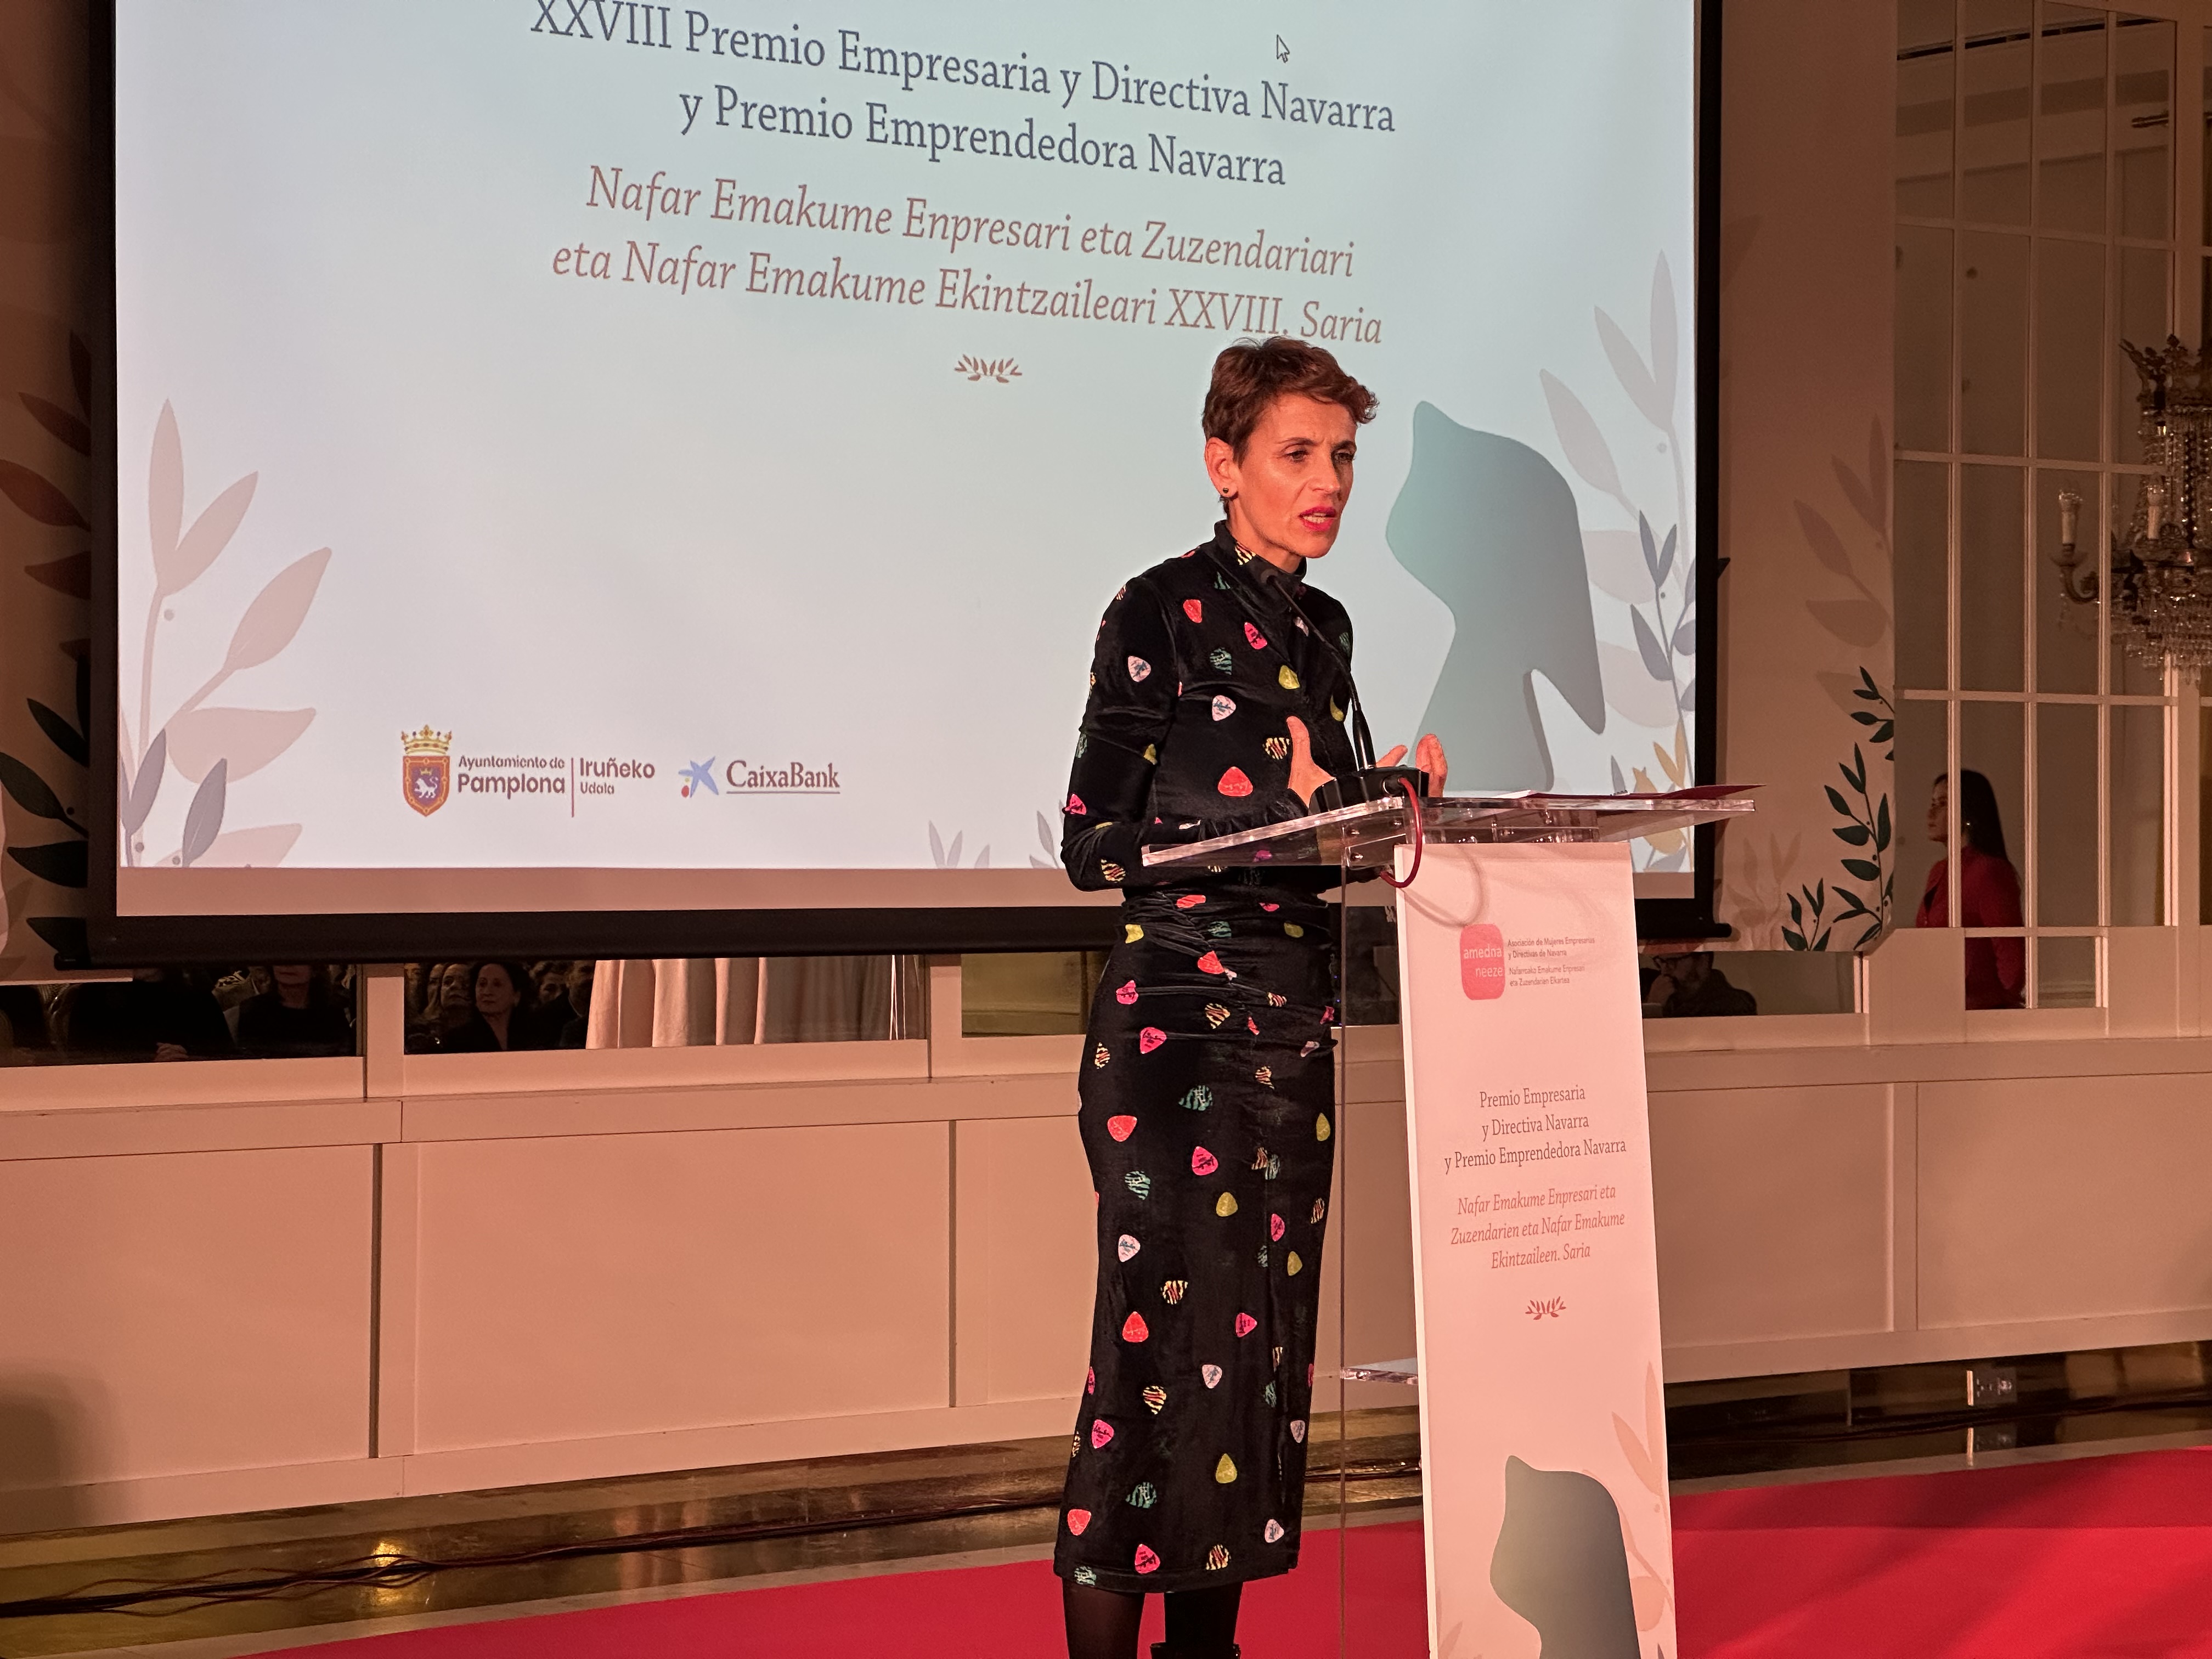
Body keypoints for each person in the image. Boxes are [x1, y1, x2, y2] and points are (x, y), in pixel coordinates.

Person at [1054, 337, 1446, 1659]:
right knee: (1159, 1371)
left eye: (1344, 456)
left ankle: (1205, 1655)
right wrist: (1263, 823)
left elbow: (1320, 825)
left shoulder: (1327, 631)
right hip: (1176, 1029)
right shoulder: (1155, 610)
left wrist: (1389, 803)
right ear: (1224, 465)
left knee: (1252, 1373)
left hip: (1294, 1030)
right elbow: (1093, 842)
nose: (1329, 480)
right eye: (1297, 454)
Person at [1915, 769, 2025, 1009]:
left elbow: (2010, 952)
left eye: (1943, 804)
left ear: (1968, 811)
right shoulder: (1939, 871)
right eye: (1933, 804)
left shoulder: (1988, 870)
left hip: (1981, 1011)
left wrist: (2000, 1009)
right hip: (1941, 1005)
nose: (1931, 813)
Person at [236, 966, 355, 1058]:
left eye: (298, 960)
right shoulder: (254, 1010)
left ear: (315, 969)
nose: (287, 966)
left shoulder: (332, 1014)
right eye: (281, 959)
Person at [439, 961, 542, 1052]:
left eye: (497, 985)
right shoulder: (456, 1040)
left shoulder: (534, 1037)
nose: (487, 992)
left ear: (517, 996)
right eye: (482, 984)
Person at [1646, 950, 1757, 1018]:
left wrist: (1654, 1008)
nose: (1664, 971)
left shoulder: (1734, 1004)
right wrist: (1653, 1005)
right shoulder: (1654, 988)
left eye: (1673, 961)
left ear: (1703, 960)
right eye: (1660, 962)